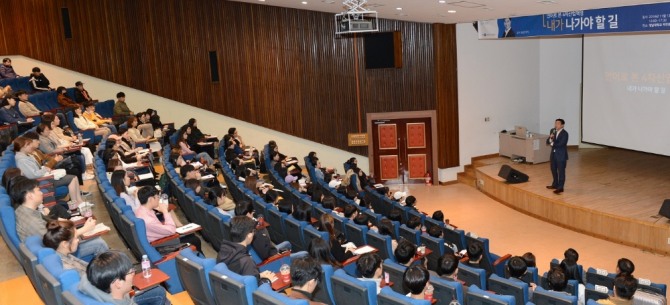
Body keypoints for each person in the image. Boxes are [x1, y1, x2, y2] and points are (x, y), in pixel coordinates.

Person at [12, 178, 108, 258]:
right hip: (55, 254)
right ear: (30, 196)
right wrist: (84, 229)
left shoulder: (22, 210)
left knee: (91, 236)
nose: (41, 193)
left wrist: (59, 221)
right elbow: (55, 241)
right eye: (38, 190)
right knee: (99, 243)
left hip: (50, 247)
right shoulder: (31, 221)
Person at [14, 135, 89, 205]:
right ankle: (75, 204)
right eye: (28, 145)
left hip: (41, 177)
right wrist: (45, 169)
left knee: (74, 177)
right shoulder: (21, 160)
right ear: (23, 146)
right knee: (72, 178)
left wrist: (45, 169)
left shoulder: (27, 155)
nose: (31, 146)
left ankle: (79, 201)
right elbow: (33, 175)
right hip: (39, 181)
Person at [78, 251, 171, 305]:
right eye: (131, 272)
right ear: (118, 283)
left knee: (158, 291)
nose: (134, 274)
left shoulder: (92, 287)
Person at [134, 186, 201, 254]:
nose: (159, 199)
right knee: (194, 240)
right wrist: (165, 211)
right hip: (160, 243)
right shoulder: (148, 220)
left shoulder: (140, 210)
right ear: (151, 199)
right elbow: (171, 230)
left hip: (157, 236)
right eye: (157, 197)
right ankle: (200, 261)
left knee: (191, 235)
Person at [216, 216, 277, 284]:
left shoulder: (223, 251)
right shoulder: (246, 262)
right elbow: (255, 290)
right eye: (253, 231)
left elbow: (238, 275)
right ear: (249, 235)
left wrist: (258, 275)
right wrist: (268, 280)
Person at [547, 118, 569, 194]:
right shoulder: (553, 131)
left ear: (562, 125)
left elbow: (562, 144)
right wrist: (550, 138)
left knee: (561, 171)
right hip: (553, 154)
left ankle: (560, 187)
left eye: (558, 123)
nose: (556, 125)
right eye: (555, 123)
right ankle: (555, 184)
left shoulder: (565, 133)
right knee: (553, 169)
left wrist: (552, 143)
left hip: (561, 155)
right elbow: (547, 141)